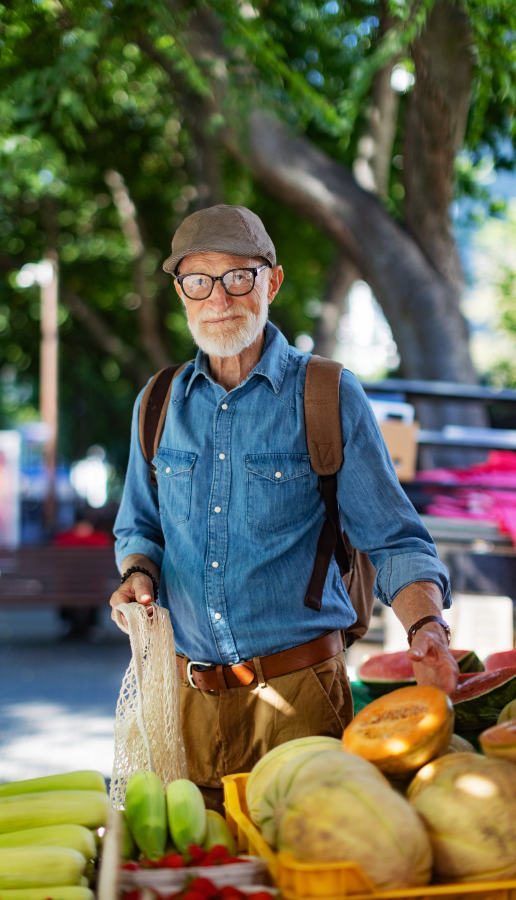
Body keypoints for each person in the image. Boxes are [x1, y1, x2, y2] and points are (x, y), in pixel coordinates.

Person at [110, 204, 458, 810]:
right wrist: (137, 575)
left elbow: (395, 538)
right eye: (199, 281)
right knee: (200, 871)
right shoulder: (160, 401)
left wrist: (426, 626)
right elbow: (139, 525)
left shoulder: (326, 393)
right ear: (181, 294)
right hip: (184, 703)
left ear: (271, 281)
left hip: (300, 701)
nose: (219, 297)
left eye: (238, 276)